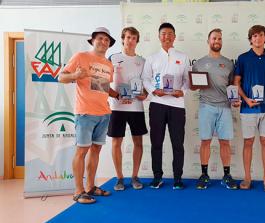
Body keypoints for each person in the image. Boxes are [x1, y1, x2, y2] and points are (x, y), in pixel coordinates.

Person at [59, 27, 118, 203]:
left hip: (104, 113)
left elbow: (103, 87)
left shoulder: (108, 64)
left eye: (107, 40)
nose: (103, 42)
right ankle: (78, 191)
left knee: (95, 151)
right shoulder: (80, 57)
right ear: (93, 40)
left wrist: (119, 95)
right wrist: (76, 74)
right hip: (85, 112)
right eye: (100, 38)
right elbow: (61, 77)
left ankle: (91, 187)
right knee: (81, 150)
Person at [142, 23, 190, 190]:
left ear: (174, 37)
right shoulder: (152, 58)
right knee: (156, 143)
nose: (167, 36)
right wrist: (154, 91)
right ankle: (157, 177)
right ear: (159, 36)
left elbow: (187, 80)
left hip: (177, 105)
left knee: (178, 144)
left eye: (170, 34)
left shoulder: (183, 57)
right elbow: (145, 79)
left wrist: (182, 92)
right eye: (164, 34)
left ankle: (178, 178)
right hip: (157, 104)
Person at [192, 28, 240, 190]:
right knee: (205, 141)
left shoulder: (228, 63)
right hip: (206, 106)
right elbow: (193, 86)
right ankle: (204, 174)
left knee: (225, 142)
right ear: (208, 41)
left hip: (225, 107)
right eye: (214, 38)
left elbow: (233, 86)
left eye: (219, 38)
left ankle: (227, 175)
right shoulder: (198, 63)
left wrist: (235, 99)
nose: (217, 41)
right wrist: (194, 84)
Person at [233, 25, 265, 192]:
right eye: (254, 36)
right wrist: (246, 99)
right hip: (248, 108)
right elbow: (236, 82)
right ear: (250, 39)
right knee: (248, 142)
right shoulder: (243, 58)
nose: (258, 38)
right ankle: (247, 178)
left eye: (261, 35)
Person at [108, 27, 148, 191]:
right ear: (123, 39)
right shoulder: (113, 58)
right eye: (128, 37)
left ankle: (135, 176)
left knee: (138, 142)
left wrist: (144, 95)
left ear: (137, 41)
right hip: (117, 107)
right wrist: (114, 95)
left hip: (136, 108)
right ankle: (119, 178)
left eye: (134, 38)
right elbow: (104, 81)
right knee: (117, 142)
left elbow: (146, 87)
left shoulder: (142, 61)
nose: (130, 40)